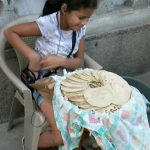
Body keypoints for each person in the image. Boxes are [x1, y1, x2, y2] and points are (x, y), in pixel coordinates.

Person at [4, 0, 98, 148]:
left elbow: (79, 61)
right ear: (65, 8)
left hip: (66, 80)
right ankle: (29, 144)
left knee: (92, 120)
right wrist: (33, 57)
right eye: (81, 17)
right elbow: (9, 32)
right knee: (62, 136)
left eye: (88, 18)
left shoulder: (79, 30)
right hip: (42, 84)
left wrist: (61, 61)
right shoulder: (49, 24)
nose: (84, 23)